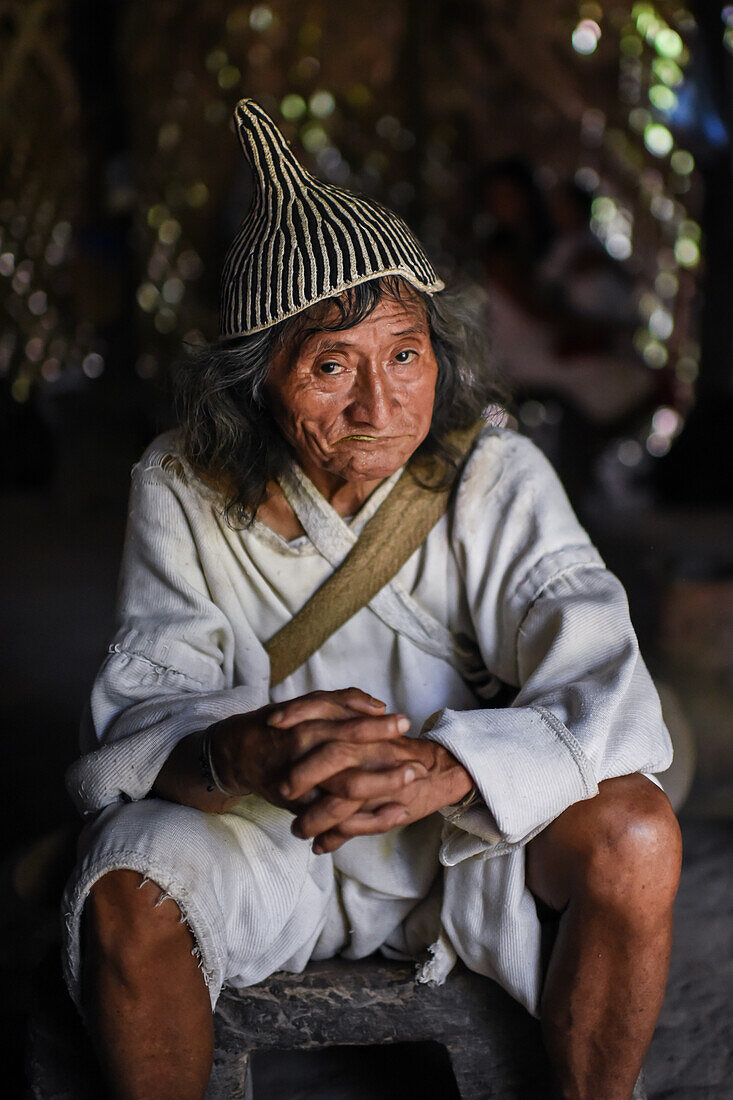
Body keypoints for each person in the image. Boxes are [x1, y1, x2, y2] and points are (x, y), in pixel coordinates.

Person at [62, 99, 681, 1100]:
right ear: (257, 379)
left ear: (440, 351)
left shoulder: (493, 472)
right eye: (329, 365)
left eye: (403, 354)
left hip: (468, 840)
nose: (379, 404)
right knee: (128, 891)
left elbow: (609, 690)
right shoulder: (179, 483)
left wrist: (450, 763)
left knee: (637, 831)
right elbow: (141, 708)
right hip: (266, 835)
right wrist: (240, 749)